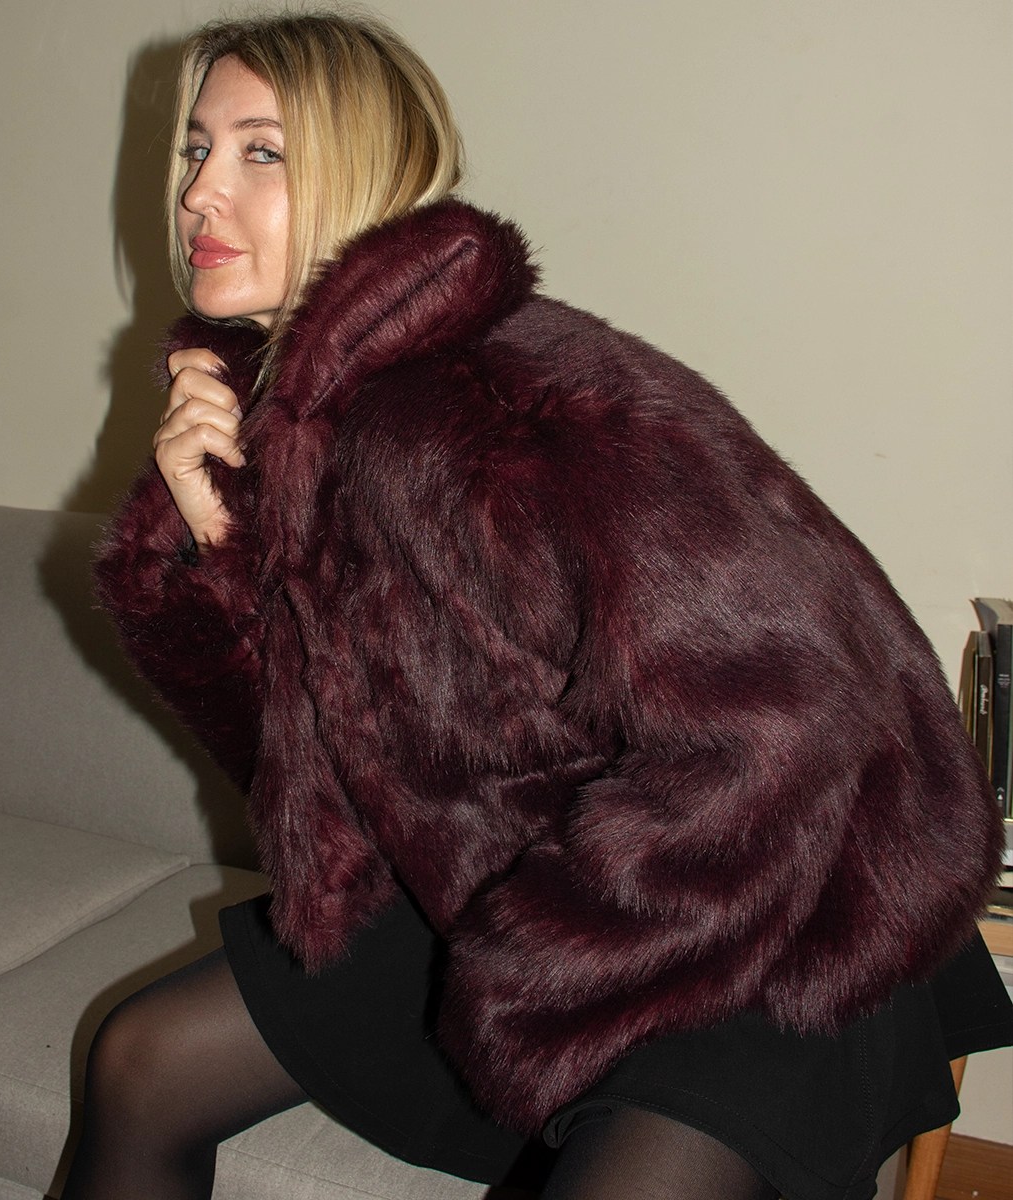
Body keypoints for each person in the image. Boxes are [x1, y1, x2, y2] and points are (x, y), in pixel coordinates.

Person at [64, 11, 1013, 1200]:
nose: (203, 191)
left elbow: (799, 715)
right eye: (197, 149)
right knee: (143, 1061)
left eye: (264, 152)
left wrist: (548, 964)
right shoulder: (295, 424)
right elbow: (319, 785)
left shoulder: (501, 398)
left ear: (372, 175)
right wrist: (214, 544)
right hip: (523, 873)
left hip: (773, 908)